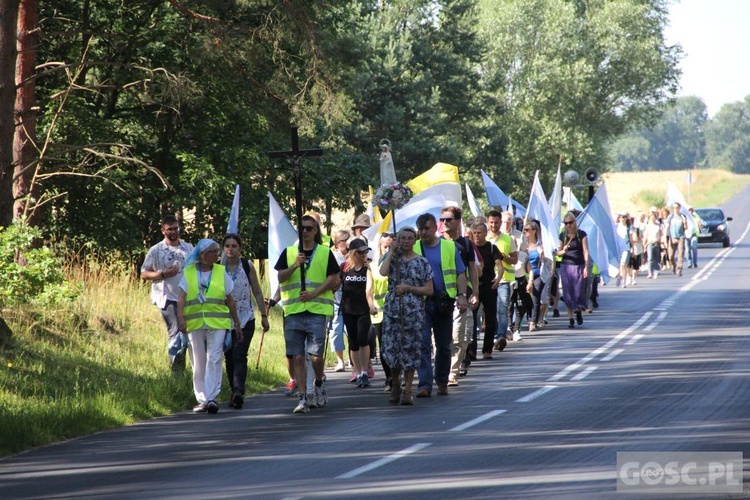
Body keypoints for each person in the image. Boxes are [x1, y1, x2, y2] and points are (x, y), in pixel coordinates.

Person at [275, 215, 341, 414]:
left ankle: (319, 381)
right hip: (294, 310)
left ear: (315, 231)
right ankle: (303, 396)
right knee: (297, 356)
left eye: (309, 228)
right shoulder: (288, 253)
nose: (305, 231)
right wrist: (295, 265)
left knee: (316, 356)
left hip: (316, 310)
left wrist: (314, 293)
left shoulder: (324, 252)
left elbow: (333, 278)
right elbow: (280, 276)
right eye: (302, 228)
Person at [176, 239, 242, 414]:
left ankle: (212, 397)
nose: (216, 255)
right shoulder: (189, 272)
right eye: (212, 251)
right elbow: (181, 297)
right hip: (195, 322)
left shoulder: (221, 272)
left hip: (218, 322)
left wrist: (236, 323)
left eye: (216, 251)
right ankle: (202, 398)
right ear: (202, 254)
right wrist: (180, 319)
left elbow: (229, 299)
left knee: (214, 357)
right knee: (198, 360)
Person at [414, 213, 468, 397]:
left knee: (444, 345)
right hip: (421, 303)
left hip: (444, 301)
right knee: (422, 344)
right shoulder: (414, 247)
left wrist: (462, 295)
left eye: (427, 229)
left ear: (435, 228)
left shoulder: (449, 246)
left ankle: (442, 381)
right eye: (420, 229)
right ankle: (424, 384)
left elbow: (461, 273)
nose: (423, 232)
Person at [379, 228, 433, 405]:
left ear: (415, 240)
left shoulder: (422, 262)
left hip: (413, 311)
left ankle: (408, 389)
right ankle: (396, 384)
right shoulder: (394, 259)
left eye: (410, 238)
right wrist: (391, 251)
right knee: (393, 348)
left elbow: (429, 289)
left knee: (411, 348)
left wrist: (409, 288)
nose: (406, 241)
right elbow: (382, 272)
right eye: (403, 238)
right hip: (393, 309)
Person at [221, 234, 270, 409]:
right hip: (225, 320)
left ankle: (238, 391)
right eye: (227, 245)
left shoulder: (246, 265)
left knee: (239, 354)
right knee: (229, 356)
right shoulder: (219, 267)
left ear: (240, 248)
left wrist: (264, 316)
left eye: (234, 246)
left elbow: (257, 291)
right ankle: (233, 390)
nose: (230, 249)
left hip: (245, 318)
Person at [141, 215, 193, 371]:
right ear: (163, 230)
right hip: (167, 297)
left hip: (186, 296)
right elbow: (144, 273)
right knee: (176, 329)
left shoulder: (188, 248)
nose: (174, 232)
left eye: (176, 228)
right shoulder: (156, 250)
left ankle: (185, 367)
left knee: (186, 330)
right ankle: (176, 370)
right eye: (170, 229)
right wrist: (163, 274)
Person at [440, 206, 479, 386]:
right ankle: (443, 368)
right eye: (443, 220)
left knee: (459, 336)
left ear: (457, 222)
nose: (445, 223)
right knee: (440, 338)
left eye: (448, 219)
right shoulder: (437, 242)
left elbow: (472, 268)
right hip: (441, 296)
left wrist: (475, 293)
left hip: (462, 296)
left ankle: (452, 372)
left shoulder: (466, 243)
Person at [340, 238, 378, 388]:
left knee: (363, 339)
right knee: (353, 341)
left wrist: (371, 305)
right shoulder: (344, 268)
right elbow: (337, 283)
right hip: (348, 309)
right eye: (361, 251)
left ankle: (364, 372)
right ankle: (357, 371)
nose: (364, 254)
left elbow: (369, 289)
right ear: (353, 253)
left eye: (365, 251)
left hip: (363, 309)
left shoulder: (366, 268)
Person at [471, 221, 502, 359]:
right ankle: (471, 350)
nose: (477, 235)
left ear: (485, 233)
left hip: (489, 285)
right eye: (475, 233)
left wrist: (498, 278)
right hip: (474, 286)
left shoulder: (491, 247)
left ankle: (487, 350)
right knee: (471, 319)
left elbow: (500, 265)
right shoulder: (470, 248)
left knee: (490, 317)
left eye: (479, 233)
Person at [556, 212, 590, 329]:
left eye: (570, 223)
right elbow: (558, 253)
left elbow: (586, 251)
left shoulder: (581, 234)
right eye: (566, 223)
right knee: (567, 293)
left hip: (579, 265)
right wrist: (563, 250)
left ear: (575, 222)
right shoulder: (562, 236)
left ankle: (578, 310)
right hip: (566, 266)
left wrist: (586, 266)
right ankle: (571, 318)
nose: (568, 225)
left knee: (578, 291)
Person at [370, 232, 394, 391]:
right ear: (380, 246)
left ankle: (399, 376)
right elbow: (369, 288)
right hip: (379, 311)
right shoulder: (372, 265)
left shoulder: (399, 263)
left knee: (397, 345)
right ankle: (389, 378)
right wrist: (370, 304)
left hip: (396, 310)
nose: (388, 249)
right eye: (386, 246)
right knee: (384, 346)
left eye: (391, 246)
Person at [493, 211, 519, 351]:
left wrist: (504, 258)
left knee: (502, 310)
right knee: (491, 311)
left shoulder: (508, 240)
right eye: (494, 222)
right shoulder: (484, 237)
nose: (496, 225)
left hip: (504, 280)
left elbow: (515, 260)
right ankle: (493, 335)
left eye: (499, 222)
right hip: (488, 281)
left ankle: (501, 336)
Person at [330, 230, 350, 372]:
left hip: (350, 300)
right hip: (335, 300)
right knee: (336, 331)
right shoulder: (332, 256)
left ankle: (352, 358)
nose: (347, 243)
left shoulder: (353, 255)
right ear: (338, 243)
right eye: (344, 240)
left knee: (350, 331)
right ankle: (340, 360)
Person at [524, 221, 546, 332]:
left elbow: (547, 259)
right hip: (525, 275)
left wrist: (543, 255)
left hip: (538, 274)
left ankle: (533, 321)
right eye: (524, 229)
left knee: (535, 296)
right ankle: (529, 316)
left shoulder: (540, 245)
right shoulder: (522, 244)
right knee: (526, 299)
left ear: (534, 231)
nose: (525, 232)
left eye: (527, 230)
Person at [666, 202, 688, 276]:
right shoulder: (671, 217)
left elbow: (686, 228)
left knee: (680, 254)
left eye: (677, 208)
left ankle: (679, 269)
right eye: (674, 208)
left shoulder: (682, 216)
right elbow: (667, 226)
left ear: (679, 208)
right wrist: (665, 236)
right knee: (670, 255)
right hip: (672, 237)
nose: (675, 209)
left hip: (681, 236)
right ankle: (673, 265)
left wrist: (685, 222)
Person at [643, 211, 663, 279]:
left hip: (656, 243)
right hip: (650, 243)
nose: (653, 218)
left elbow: (661, 235)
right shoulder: (648, 226)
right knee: (650, 258)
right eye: (651, 217)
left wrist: (660, 241)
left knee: (656, 258)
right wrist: (644, 243)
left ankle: (656, 271)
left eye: (654, 217)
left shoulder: (658, 226)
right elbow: (646, 235)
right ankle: (650, 272)